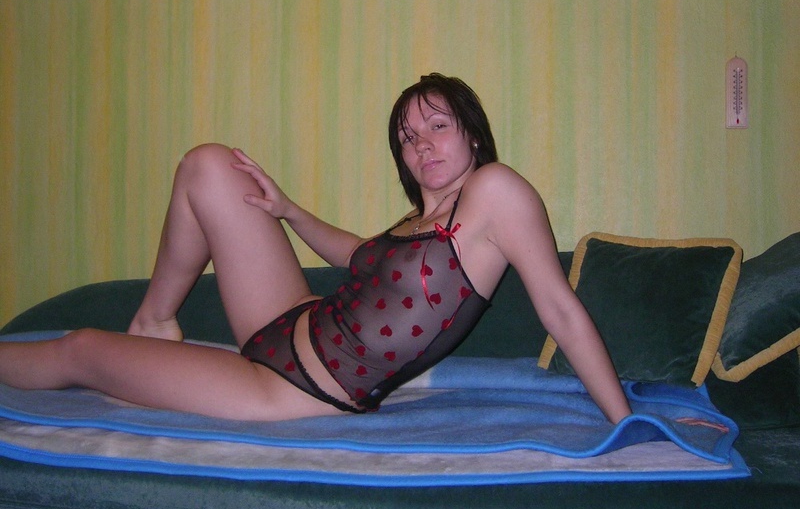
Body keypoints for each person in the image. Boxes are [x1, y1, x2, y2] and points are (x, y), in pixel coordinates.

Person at [0, 74, 632, 423]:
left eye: (438, 126)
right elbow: (356, 256)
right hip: (288, 316)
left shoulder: (496, 192)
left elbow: (561, 311)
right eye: (408, 137)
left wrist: (622, 420)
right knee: (210, 166)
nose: (422, 144)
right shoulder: (418, 221)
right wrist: (287, 209)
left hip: (291, 389)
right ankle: (155, 319)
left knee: (82, 349)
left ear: (472, 134)